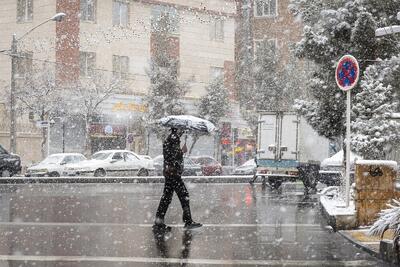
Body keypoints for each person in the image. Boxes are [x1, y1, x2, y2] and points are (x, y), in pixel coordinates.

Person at [153, 127, 202, 231]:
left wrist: (180, 151)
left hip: (170, 173)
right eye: (182, 130)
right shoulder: (173, 139)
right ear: (177, 130)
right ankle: (188, 221)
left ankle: (158, 223)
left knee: (166, 198)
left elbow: (170, 156)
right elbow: (172, 157)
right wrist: (181, 151)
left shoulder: (171, 139)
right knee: (184, 195)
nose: (183, 132)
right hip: (173, 174)